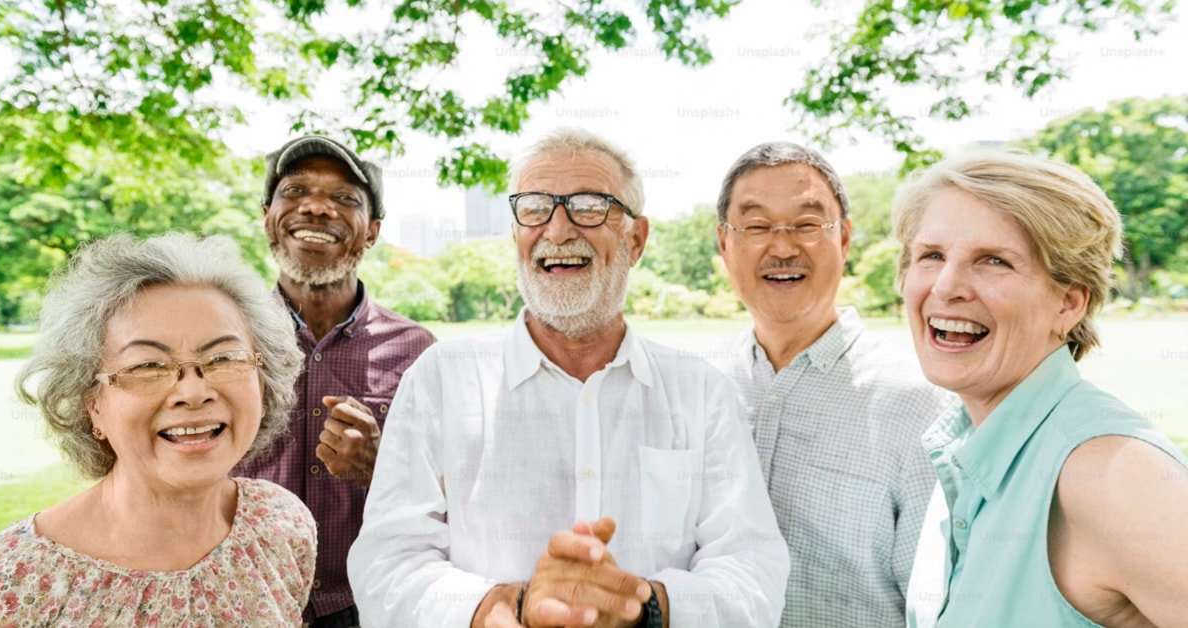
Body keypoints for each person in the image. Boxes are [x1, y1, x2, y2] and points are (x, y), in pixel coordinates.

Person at [348, 128, 790, 628]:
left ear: (636, 239)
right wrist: (514, 607)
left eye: (588, 205)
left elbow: (753, 570)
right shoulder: (441, 380)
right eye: (535, 208)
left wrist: (640, 606)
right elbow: (387, 566)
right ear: (517, 233)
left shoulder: (701, 392)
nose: (557, 232)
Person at [895, 151, 1188, 627]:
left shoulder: (1108, 472)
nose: (947, 287)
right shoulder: (965, 443)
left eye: (994, 261)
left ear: (1069, 304)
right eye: (932, 256)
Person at [0, 233, 315, 625]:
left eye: (224, 357)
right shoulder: (12, 583)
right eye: (147, 365)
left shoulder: (280, 524)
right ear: (91, 401)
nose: (193, 392)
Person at [710, 141, 954, 627]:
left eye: (806, 224)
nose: (782, 247)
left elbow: (937, 609)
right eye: (757, 226)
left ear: (844, 239)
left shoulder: (918, 403)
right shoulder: (699, 387)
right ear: (724, 244)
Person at [232, 135, 436, 627]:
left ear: (372, 232)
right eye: (295, 191)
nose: (317, 208)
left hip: (368, 603)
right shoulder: (222, 337)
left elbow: (449, 500)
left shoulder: (418, 351)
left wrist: (381, 465)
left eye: (344, 198)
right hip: (243, 597)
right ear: (267, 216)